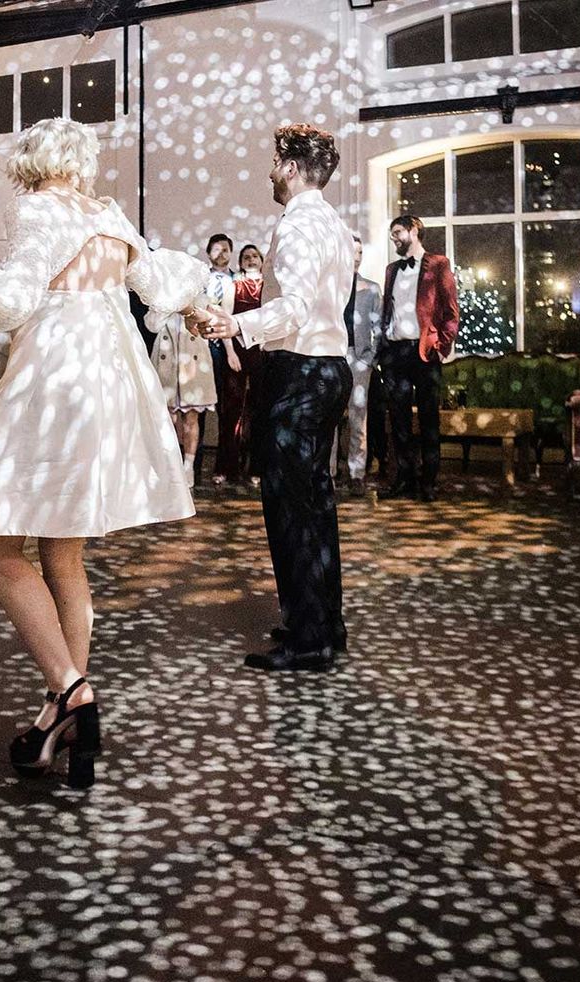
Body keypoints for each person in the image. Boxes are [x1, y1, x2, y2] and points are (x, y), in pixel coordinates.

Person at [0, 117, 212, 789]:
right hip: (109, 385)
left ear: (32, 161)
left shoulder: (35, 208)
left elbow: (15, 294)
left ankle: (69, 688)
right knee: (63, 551)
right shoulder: (109, 214)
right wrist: (200, 302)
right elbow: (160, 283)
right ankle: (61, 709)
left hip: (54, 380)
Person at [205, 123, 354, 672]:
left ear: (290, 168)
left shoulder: (296, 226)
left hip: (299, 373)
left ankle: (309, 639)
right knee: (316, 503)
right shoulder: (334, 224)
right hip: (331, 367)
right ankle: (323, 624)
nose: (270, 171)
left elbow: (294, 307)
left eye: (274, 162)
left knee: (290, 508)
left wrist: (236, 325)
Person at [376, 215, 459, 502]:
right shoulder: (391, 270)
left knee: (428, 419)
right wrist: (383, 346)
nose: (394, 238)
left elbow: (451, 312)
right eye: (392, 234)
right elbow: (388, 309)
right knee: (398, 420)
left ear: (414, 231)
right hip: (395, 352)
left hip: (425, 352)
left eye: (397, 232)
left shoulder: (438, 264)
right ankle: (403, 479)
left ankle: (428, 482)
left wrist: (441, 345)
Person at [213, 244, 266, 487]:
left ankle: (256, 467)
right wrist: (230, 352)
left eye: (255, 256)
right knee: (231, 410)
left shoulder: (269, 286)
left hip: (261, 352)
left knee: (259, 410)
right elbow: (226, 320)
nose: (251, 260)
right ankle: (227, 467)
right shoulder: (233, 284)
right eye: (246, 257)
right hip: (236, 352)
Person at [146, 307, 217, 488]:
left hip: (192, 361)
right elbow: (151, 325)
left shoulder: (200, 298)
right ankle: (169, 465)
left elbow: (211, 322)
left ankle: (188, 466)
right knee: (167, 419)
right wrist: (164, 306)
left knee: (191, 418)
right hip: (167, 360)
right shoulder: (161, 300)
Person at [334, 235, 382, 498]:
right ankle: (328, 472)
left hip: (359, 358)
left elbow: (379, 327)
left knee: (358, 417)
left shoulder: (371, 288)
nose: (356, 257)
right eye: (352, 252)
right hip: (332, 355)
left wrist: (370, 359)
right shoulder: (329, 285)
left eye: (360, 252)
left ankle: (356, 473)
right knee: (329, 416)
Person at [197, 233, 239, 482]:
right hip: (202, 346)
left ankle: (224, 467)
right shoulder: (199, 278)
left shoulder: (238, 280)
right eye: (216, 249)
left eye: (226, 249)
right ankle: (194, 465)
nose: (221, 253)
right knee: (198, 405)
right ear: (208, 252)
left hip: (229, 348)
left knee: (228, 407)